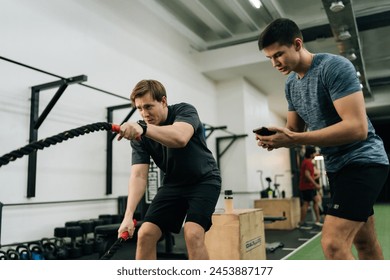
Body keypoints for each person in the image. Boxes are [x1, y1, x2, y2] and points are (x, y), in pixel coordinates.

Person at [256, 18, 389, 260]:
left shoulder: (334, 67)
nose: (275, 63)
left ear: (297, 44)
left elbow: (357, 128)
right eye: (270, 59)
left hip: (363, 160)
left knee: (333, 245)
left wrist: (294, 138)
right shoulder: (290, 85)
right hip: (337, 167)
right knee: (365, 243)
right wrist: (278, 137)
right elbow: (293, 129)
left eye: (279, 55)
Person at [116, 79, 221, 260]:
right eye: (139, 108)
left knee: (192, 233)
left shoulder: (184, 110)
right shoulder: (141, 135)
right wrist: (128, 215)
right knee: (145, 234)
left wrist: (142, 128)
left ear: (163, 101)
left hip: (204, 181)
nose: (144, 113)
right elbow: (139, 175)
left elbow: (180, 138)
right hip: (173, 184)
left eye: (148, 106)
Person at [298, 146, 322, 229]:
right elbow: (307, 175)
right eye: (314, 153)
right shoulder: (307, 162)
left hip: (310, 186)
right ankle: (301, 223)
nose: (316, 154)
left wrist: (316, 177)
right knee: (306, 203)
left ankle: (317, 220)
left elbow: (309, 176)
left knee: (316, 201)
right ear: (311, 154)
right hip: (306, 187)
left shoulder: (309, 162)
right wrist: (316, 184)